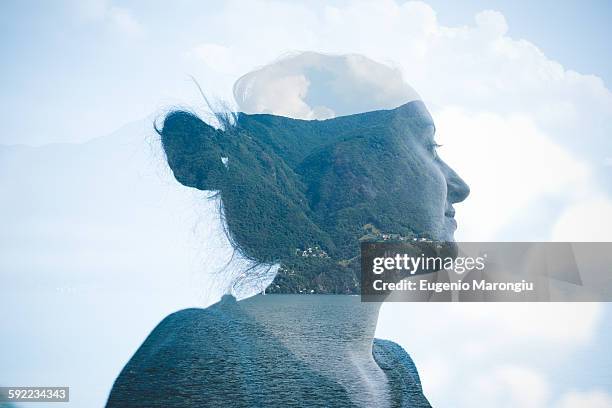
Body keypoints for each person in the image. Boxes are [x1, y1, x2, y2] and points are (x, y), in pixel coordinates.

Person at [106, 53, 469, 407]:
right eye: (430, 146)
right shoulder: (202, 354)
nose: (460, 186)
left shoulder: (399, 373)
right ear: (356, 169)